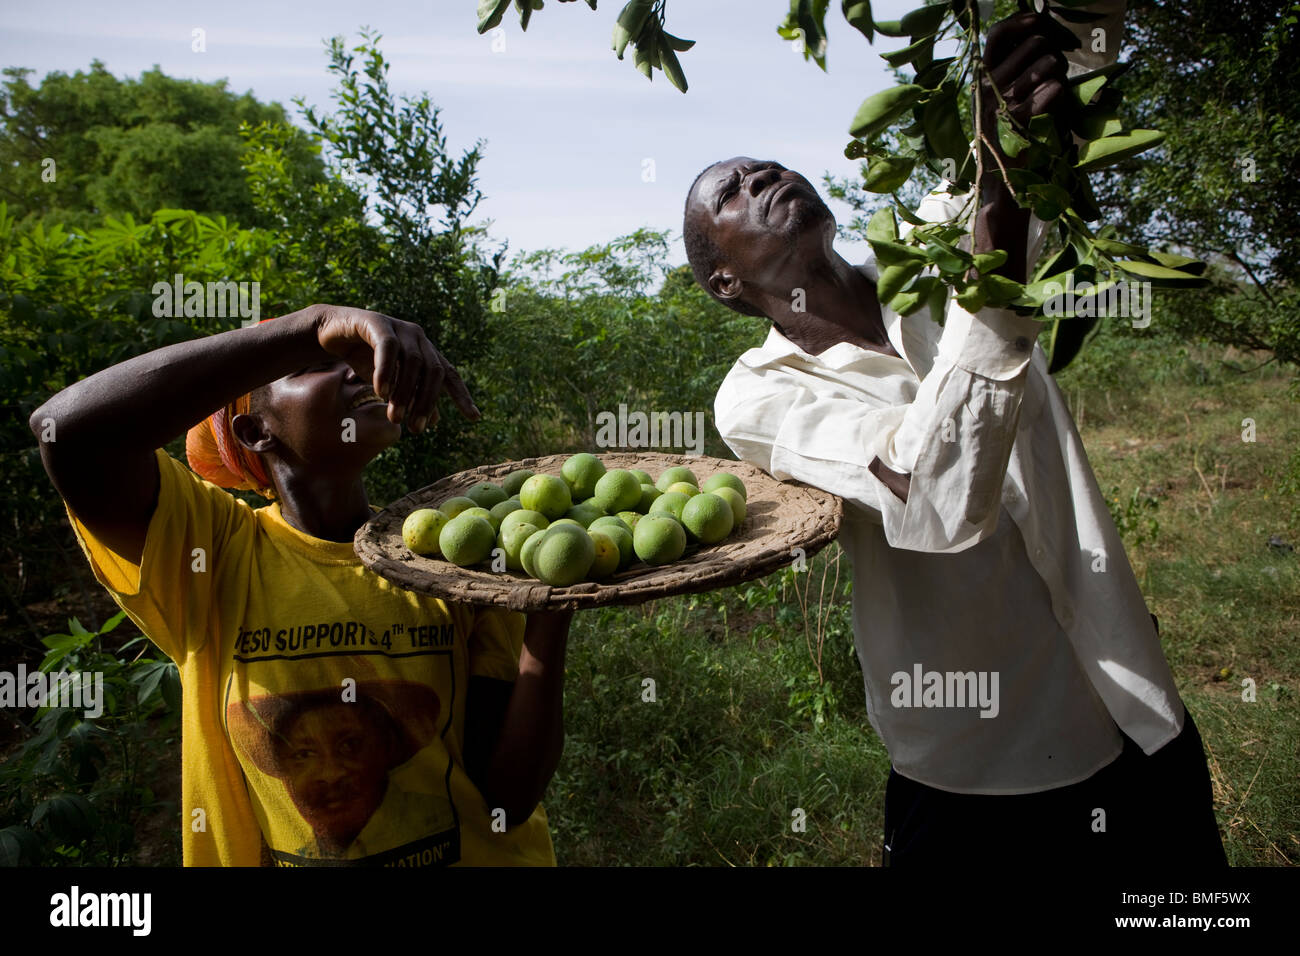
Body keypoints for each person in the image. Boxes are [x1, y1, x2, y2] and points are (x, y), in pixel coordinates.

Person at [683, 8, 1226, 867]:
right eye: (734, 191)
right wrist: (997, 268)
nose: (766, 177)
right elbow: (933, 496)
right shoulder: (757, 394)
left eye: (770, 167)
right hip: (974, 776)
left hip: (1127, 697)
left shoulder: (928, 252)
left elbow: (1031, 114)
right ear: (723, 280)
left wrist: (1037, 61)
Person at [30, 303, 573, 867]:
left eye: (353, 360)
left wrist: (552, 611)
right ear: (255, 430)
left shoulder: (445, 555)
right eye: (318, 363)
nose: (354, 370)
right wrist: (312, 326)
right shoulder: (212, 551)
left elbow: (506, 798)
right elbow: (69, 433)